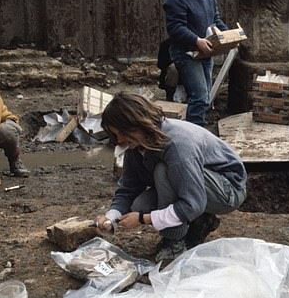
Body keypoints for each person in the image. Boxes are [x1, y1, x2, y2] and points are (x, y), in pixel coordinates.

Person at [94, 92, 247, 262]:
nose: (119, 139)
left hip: (227, 189)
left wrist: (143, 219)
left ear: (137, 123)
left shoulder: (177, 145)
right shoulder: (137, 143)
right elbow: (129, 188)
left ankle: (175, 244)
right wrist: (111, 217)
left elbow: (193, 203)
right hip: (195, 185)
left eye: (122, 132)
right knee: (140, 204)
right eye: (115, 134)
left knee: (162, 171)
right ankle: (201, 221)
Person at [163, 0, 228, 126]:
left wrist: (228, 35)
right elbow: (175, 28)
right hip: (187, 53)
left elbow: (215, 19)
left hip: (206, 51)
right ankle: (195, 134)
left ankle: (199, 130)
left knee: (206, 97)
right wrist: (196, 40)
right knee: (199, 96)